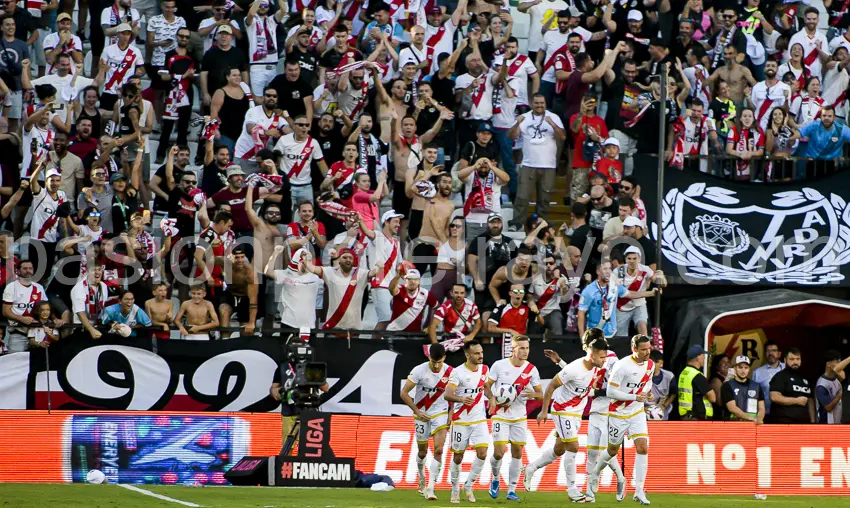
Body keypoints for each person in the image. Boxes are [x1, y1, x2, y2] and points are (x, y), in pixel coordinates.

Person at [530, 329, 609, 502]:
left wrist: (559, 362)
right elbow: (551, 386)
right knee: (573, 447)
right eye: (602, 356)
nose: (605, 359)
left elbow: (579, 378)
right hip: (562, 410)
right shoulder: (576, 367)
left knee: (559, 449)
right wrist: (544, 411)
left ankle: (531, 468)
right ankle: (573, 490)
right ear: (591, 351)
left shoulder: (595, 366)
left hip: (576, 412)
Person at [587, 334, 654, 505]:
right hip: (618, 413)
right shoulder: (622, 366)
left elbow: (647, 383)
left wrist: (647, 392)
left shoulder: (650, 365)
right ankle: (595, 473)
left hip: (637, 412)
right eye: (644, 349)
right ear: (634, 349)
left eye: (649, 348)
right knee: (612, 450)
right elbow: (610, 392)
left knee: (643, 447)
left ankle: (639, 490)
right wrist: (635, 396)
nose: (648, 352)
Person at [485, 334, 542, 501]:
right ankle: (495, 479)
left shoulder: (531, 369)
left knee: (517, 451)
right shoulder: (499, 365)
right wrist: (491, 398)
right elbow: (486, 385)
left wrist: (534, 393)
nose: (525, 352)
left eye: (527, 348)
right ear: (513, 349)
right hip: (501, 415)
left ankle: (511, 490)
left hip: (519, 416)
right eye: (522, 348)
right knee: (499, 452)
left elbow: (540, 395)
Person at [399, 342, 451, 500]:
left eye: (439, 362)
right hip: (422, 414)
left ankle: (431, 487)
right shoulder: (419, 370)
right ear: (428, 357)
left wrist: (451, 413)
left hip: (440, 413)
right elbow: (404, 393)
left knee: (439, 450)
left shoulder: (450, 372)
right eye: (433, 362)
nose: (436, 366)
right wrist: (416, 411)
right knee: (422, 451)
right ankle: (421, 477)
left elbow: (453, 394)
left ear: (444, 358)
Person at [443, 340, 493, 504]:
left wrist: (491, 398)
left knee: (483, 453)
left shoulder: (485, 369)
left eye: (482, 353)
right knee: (458, 456)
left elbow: (485, 386)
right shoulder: (458, 373)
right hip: (461, 420)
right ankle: (455, 489)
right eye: (477, 353)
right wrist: (460, 398)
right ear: (467, 355)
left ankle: (469, 485)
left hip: (479, 419)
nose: (481, 356)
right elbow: (447, 394)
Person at [508, 93, 565, 228]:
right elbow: (511, 136)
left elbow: (562, 136)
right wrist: (517, 123)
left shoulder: (554, 117)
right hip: (528, 164)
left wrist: (552, 124)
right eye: (537, 103)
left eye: (542, 103)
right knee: (522, 196)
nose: (539, 106)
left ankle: (541, 224)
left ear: (545, 103)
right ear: (531, 103)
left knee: (545, 198)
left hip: (548, 165)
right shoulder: (525, 117)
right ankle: (516, 223)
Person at [578, 260, 659, 341]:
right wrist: (582, 337)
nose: (608, 272)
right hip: (595, 335)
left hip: (612, 333)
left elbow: (630, 294)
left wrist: (651, 293)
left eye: (610, 268)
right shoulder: (589, 290)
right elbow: (581, 313)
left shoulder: (614, 286)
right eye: (605, 269)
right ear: (598, 271)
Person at [304, 247, 374, 330]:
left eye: (350, 258)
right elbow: (312, 268)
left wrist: (380, 267)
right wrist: (306, 259)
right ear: (339, 260)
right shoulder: (330, 272)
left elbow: (374, 273)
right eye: (344, 257)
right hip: (334, 326)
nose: (348, 260)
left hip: (354, 326)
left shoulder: (361, 273)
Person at [611, 246, 666, 337]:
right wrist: (651, 293)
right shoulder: (618, 272)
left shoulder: (644, 269)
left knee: (642, 327)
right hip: (622, 307)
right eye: (629, 258)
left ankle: (644, 349)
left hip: (639, 305)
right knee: (620, 336)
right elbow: (627, 294)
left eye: (634, 258)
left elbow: (662, 284)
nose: (632, 261)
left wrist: (661, 277)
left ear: (639, 259)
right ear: (625, 259)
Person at [266, 246, 322, 329]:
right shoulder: (286, 275)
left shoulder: (316, 279)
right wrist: (275, 254)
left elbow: (318, 305)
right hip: (289, 322)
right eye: (304, 258)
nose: (307, 262)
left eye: (309, 259)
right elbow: (268, 272)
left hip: (308, 325)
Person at [2, 259, 47, 352]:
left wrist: (55, 318)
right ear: (18, 271)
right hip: (18, 333)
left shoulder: (39, 287)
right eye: (25, 268)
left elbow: (46, 307)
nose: (28, 271)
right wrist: (21, 318)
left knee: (38, 364)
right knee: (15, 364)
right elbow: (5, 311)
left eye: (30, 268)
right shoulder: (11, 287)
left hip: (37, 333)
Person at [219, 245, 259, 337]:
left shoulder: (250, 273)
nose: (240, 260)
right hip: (230, 294)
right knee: (223, 310)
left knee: (246, 331)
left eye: (242, 257)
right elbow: (204, 258)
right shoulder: (224, 262)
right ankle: (224, 342)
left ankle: (244, 347)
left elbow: (253, 300)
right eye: (237, 257)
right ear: (231, 257)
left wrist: (251, 322)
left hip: (245, 298)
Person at [768, 348, 815, 424]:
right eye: (792, 359)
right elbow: (774, 397)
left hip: (804, 422)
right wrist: (796, 401)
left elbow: (810, 401)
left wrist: (813, 421)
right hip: (783, 422)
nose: (795, 362)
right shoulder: (780, 376)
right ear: (785, 360)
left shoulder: (806, 377)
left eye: (798, 359)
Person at [720, 355, 765, 423]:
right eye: (740, 367)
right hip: (733, 424)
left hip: (752, 425)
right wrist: (750, 418)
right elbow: (732, 408)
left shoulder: (756, 386)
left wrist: (759, 418)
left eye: (746, 368)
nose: (743, 371)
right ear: (735, 368)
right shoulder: (727, 385)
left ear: (749, 369)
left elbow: (761, 408)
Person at [678, 344, 716, 420]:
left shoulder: (684, 373)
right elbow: (713, 398)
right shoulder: (697, 375)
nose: (704, 358)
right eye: (703, 355)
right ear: (698, 358)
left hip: (686, 415)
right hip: (696, 417)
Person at [70, 264, 107, 338]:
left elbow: (103, 307)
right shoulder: (79, 288)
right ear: (87, 272)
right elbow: (80, 312)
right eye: (93, 270)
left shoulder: (103, 286)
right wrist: (91, 330)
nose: (97, 272)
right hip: (81, 328)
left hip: (97, 326)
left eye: (99, 270)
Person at [752, 340, 784, 415]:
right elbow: (753, 395)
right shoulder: (758, 372)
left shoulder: (787, 368)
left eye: (773, 350)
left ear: (779, 354)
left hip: (787, 414)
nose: (770, 353)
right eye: (768, 351)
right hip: (766, 414)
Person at [646, 349, 675, 421]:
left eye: (655, 362)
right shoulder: (640, 376)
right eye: (650, 362)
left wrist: (664, 405)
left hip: (661, 412)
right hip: (644, 412)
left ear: (661, 362)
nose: (652, 365)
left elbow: (674, 393)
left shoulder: (669, 376)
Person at [815, 350, 844, 424]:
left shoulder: (836, 379)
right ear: (828, 364)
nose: (840, 365)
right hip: (826, 425)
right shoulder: (821, 384)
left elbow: (843, 376)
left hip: (837, 424)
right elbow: (828, 407)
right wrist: (839, 395)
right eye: (837, 362)